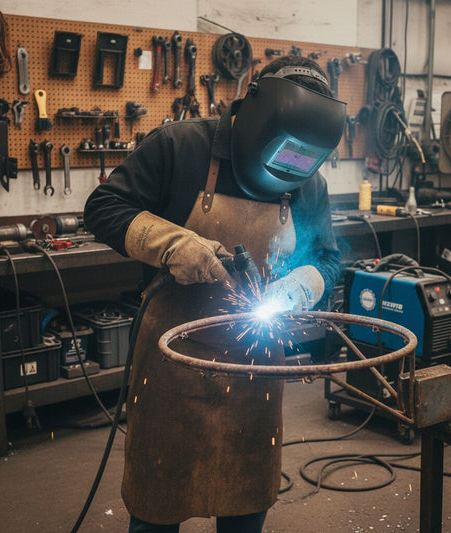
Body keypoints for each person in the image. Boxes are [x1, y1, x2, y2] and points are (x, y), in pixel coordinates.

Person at [83, 54, 347, 533]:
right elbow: (103, 208)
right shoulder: (180, 147)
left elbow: (329, 257)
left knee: (246, 494)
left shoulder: (308, 182)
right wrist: (172, 243)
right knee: (158, 500)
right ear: (252, 113)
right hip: (172, 360)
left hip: (254, 365)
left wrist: (304, 283)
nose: (290, 167)